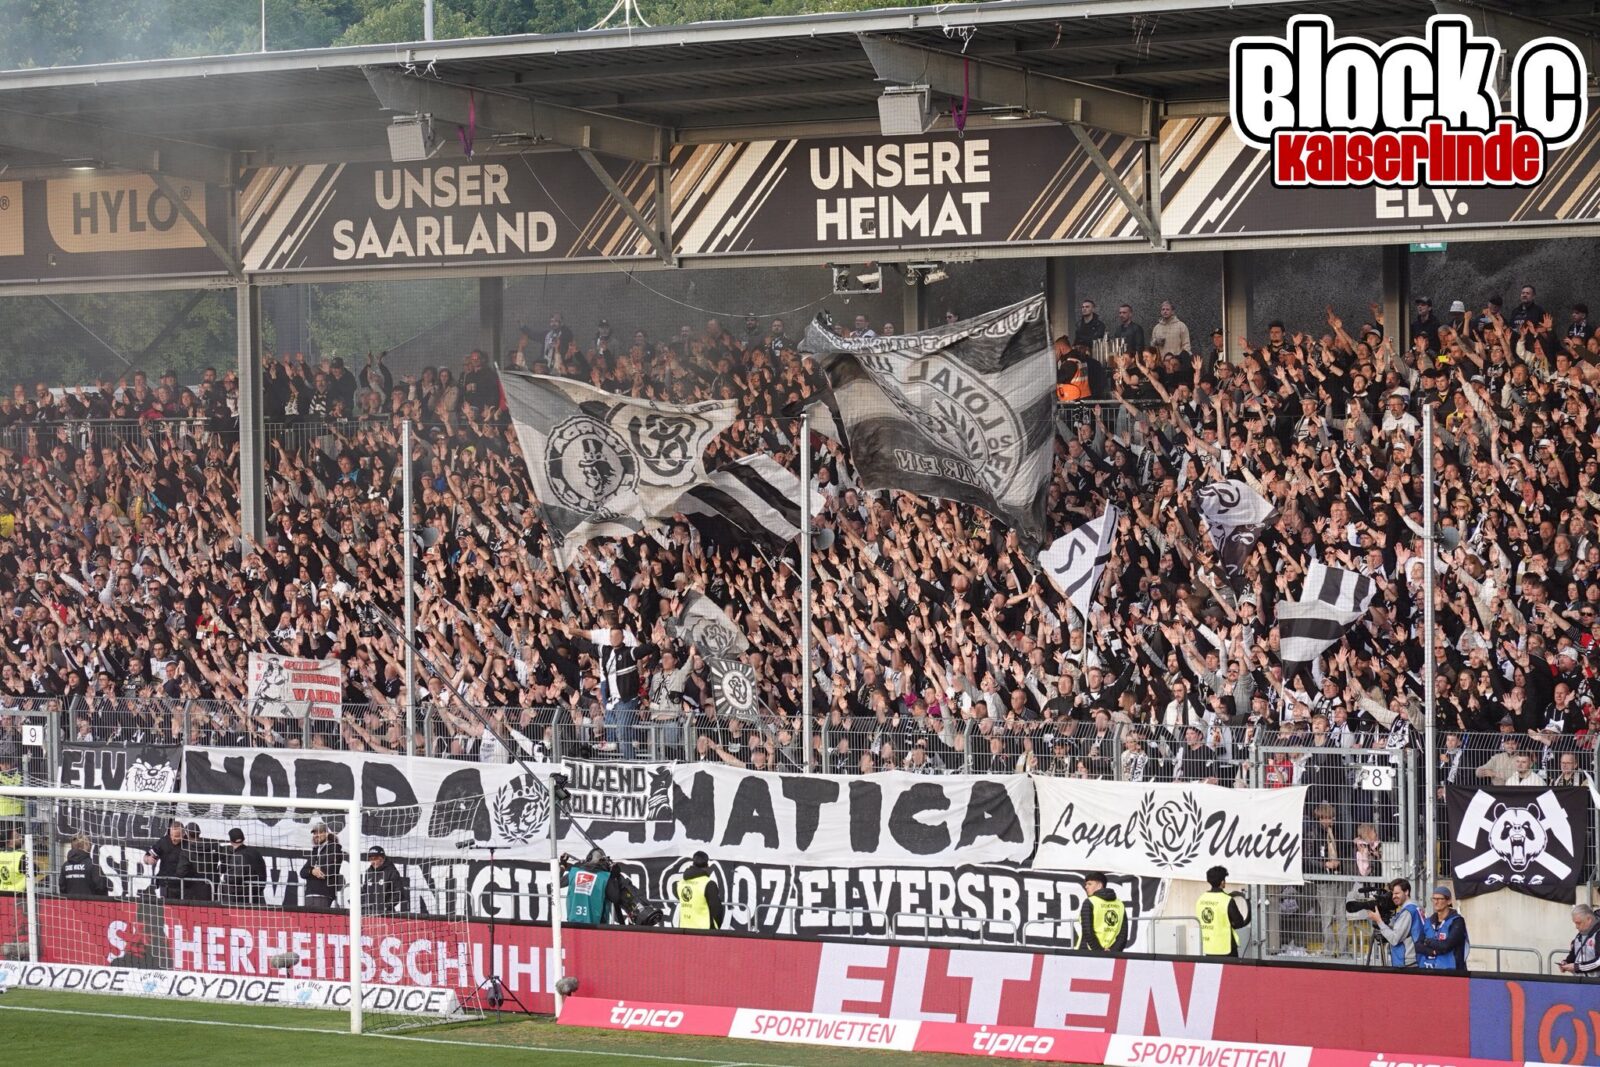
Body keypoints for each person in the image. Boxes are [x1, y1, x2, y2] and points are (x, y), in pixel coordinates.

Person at [1368, 878, 1422, 968]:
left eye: (1397, 893)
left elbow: (1394, 939)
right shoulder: (1416, 906)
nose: (1393, 897)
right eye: (1392, 893)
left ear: (1406, 892)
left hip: (1407, 962)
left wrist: (1379, 921)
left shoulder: (1407, 911)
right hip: (1415, 958)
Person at [1196, 865, 1249, 957]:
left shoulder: (1201, 899)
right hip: (1226, 948)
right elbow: (1239, 922)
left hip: (1209, 947)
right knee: (1231, 971)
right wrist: (1229, 923)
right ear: (1222, 882)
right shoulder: (1227, 900)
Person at [562, 847, 624, 924]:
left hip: (572, 924)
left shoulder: (574, 873)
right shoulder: (604, 877)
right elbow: (615, 898)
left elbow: (555, 884)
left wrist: (562, 865)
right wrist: (614, 876)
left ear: (589, 858)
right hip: (596, 927)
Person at [1415, 886, 1469, 973]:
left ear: (1449, 901)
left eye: (1440, 899)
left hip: (1451, 972)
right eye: (1434, 899)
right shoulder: (1428, 921)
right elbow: (1417, 945)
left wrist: (1428, 942)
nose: (1436, 902)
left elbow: (1446, 945)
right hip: (1427, 970)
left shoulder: (1457, 921)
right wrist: (1433, 951)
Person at [1077, 872, 1128, 954]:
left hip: (1087, 951)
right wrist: (1114, 951)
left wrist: (1099, 951)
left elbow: (1088, 932)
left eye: (1089, 884)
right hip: (1112, 953)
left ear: (1099, 885)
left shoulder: (1090, 902)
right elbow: (1123, 934)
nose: (1086, 887)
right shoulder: (1120, 904)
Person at [299, 820, 345, 908]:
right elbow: (302, 872)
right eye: (314, 833)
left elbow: (326, 872)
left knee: (320, 921)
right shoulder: (315, 851)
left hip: (323, 894)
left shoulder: (334, 848)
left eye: (320, 832)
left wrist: (313, 871)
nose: (316, 835)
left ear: (326, 833)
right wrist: (312, 871)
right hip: (309, 894)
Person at [143, 820, 192, 900]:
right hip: (166, 885)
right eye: (171, 835)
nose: (173, 839)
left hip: (185, 887)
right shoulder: (164, 841)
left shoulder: (190, 844)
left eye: (176, 836)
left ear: (183, 834)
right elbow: (146, 857)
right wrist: (148, 859)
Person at [675, 850, 725, 930]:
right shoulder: (708, 883)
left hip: (684, 929)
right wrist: (715, 927)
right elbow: (717, 909)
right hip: (703, 931)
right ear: (707, 865)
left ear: (693, 863)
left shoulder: (681, 883)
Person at [218, 827, 267, 907]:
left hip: (243, 897)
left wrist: (224, 877)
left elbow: (235, 877)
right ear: (243, 839)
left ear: (231, 841)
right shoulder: (255, 852)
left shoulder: (238, 856)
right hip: (257, 893)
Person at [361, 846, 407, 916]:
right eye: (370, 858)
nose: (373, 861)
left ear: (382, 858)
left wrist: (386, 906)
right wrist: (362, 904)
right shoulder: (369, 872)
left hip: (386, 913)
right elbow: (365, 890)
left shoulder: (391, 871)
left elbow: (399, 893)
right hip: (369, 912)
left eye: (375, 858)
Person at [1559, 903, 1600, 977]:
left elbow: (1599, 962)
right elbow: (1573, 954)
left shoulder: (1598, 934)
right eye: (1575, 923)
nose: (1576, 927)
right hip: (1580, 983)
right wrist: (1566, 962)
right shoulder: (1579, 936)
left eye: (1578, 923)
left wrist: (1577, 967)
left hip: (1595, 984)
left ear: (1589, 920)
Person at [0, 825, 27, 894]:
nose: (21, 838)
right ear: (10, 841)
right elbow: (36, 870)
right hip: (18, 895)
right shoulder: (20, 856)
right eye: (17, 837)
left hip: (2, 893)